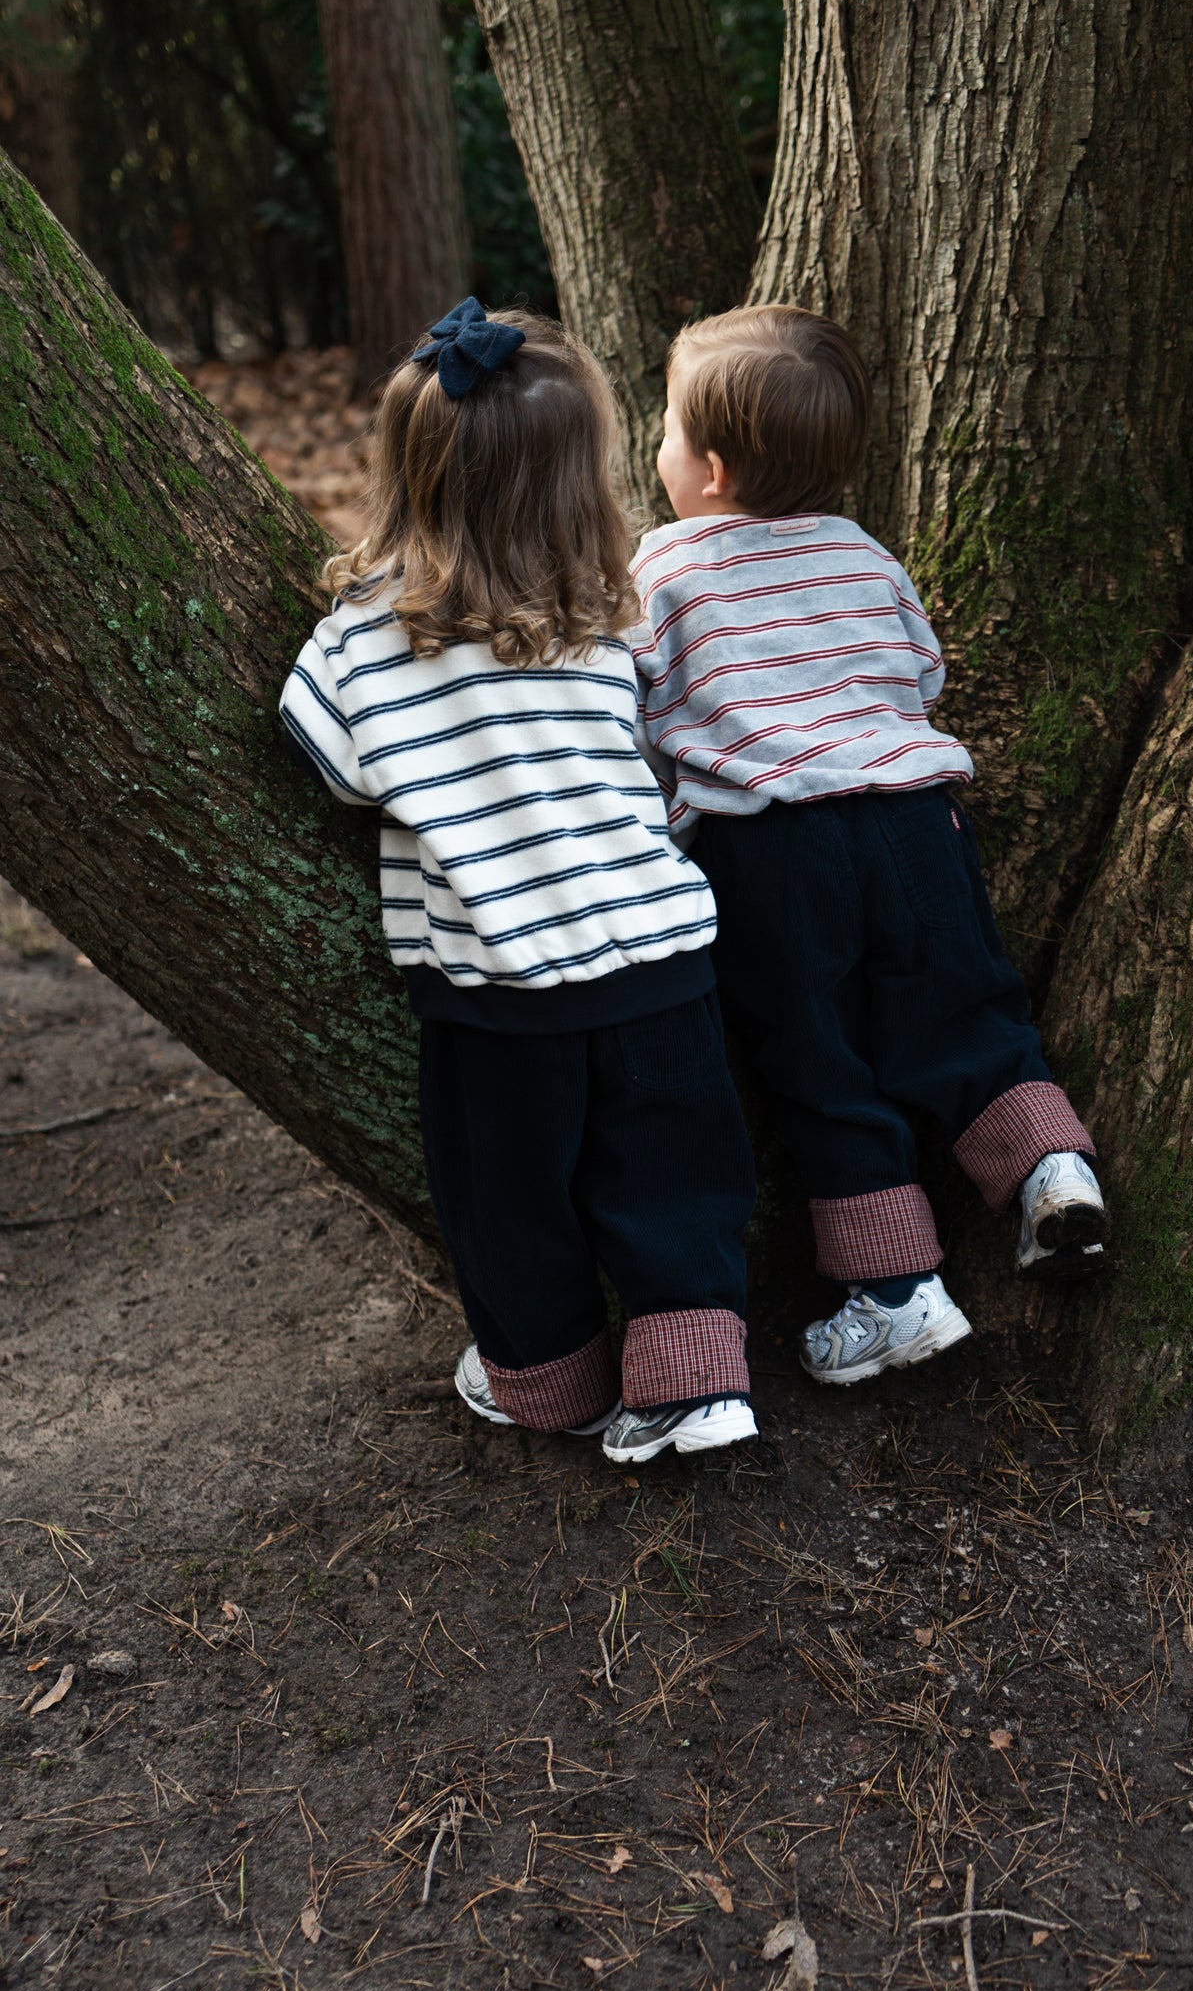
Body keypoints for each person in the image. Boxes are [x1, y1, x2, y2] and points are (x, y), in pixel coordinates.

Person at [280, 300, 757, 1464]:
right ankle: (697, 1384)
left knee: (509, 1203)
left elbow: (330, 769)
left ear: (407, 475)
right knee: (675, 1178)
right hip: (661, 962)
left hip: (503, 992)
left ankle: (546, 1384)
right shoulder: (605, 625)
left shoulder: (358, 645)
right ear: (576, 487)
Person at [630, 304, 1110, 1388]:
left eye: (660, 428)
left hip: (773, 848)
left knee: (818, 1056)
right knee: (962, 1005)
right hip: (914, 821)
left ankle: (893, 1291)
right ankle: (1047, 1163)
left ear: (704, 467)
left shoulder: (659, 569)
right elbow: (920, 673)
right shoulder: (862, 551)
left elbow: (633, 704)